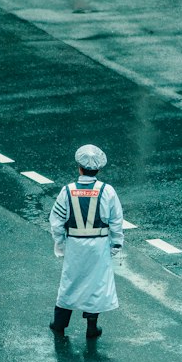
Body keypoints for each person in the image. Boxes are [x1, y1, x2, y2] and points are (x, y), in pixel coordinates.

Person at [48, 144, 124, 340]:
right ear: (98, 169)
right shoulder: (107, 191)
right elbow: (116, 220)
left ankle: (59, 323)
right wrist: (115, 244)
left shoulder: (67, 191)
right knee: (96, 284)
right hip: (99, 244)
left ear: (79, 168)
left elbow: (56, 221)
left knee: (69, 282)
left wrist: (61, 243)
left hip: (74, 242)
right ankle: (92, 326)